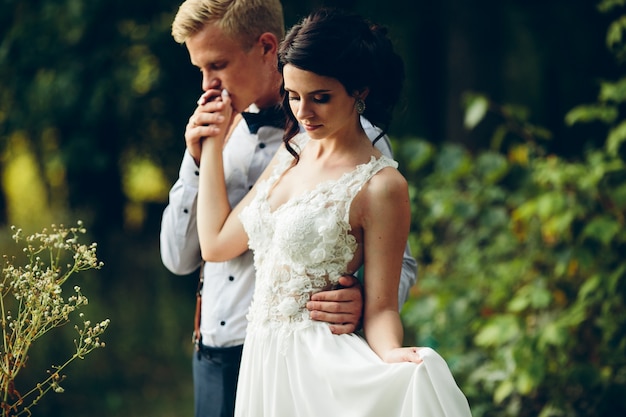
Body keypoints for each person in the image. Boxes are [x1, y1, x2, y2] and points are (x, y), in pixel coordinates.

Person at [194, 7, 472, 417]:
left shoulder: (381, 185)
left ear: (360, 90)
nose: (303, 113)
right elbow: (216, 243)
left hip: (319, 370)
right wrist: (213, 143)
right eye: (293, 96)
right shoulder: (292, 152)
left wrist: (393, 354)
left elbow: (381, 308)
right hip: (263, 363)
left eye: (320, 98)